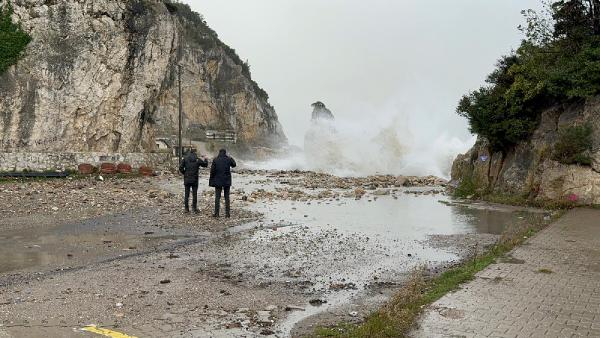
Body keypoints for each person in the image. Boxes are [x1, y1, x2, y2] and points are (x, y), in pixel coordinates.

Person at [209, 148, 237, 217]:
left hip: (218, 181)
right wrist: (231, 157)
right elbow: (234, 165)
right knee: (227, 197)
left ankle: (217, 213)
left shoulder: (215, 160)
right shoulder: (228, 159)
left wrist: (211, 179)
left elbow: (212, 171)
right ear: (225, 153)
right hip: (226, 181)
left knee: (217, 197)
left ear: (219, 152)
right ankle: (227, 214)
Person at [179, 149, 208, 214]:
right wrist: (205, 158)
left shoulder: (185, 158)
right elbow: (205, 165)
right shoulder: (197, 159)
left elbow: (180, 167)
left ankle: (186, 209)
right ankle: (194, 208)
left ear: (190, 152)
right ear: (195, 153)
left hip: (187, 179)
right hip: (195, 179)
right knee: (194, 194)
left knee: (187, 194)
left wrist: (185, 173)